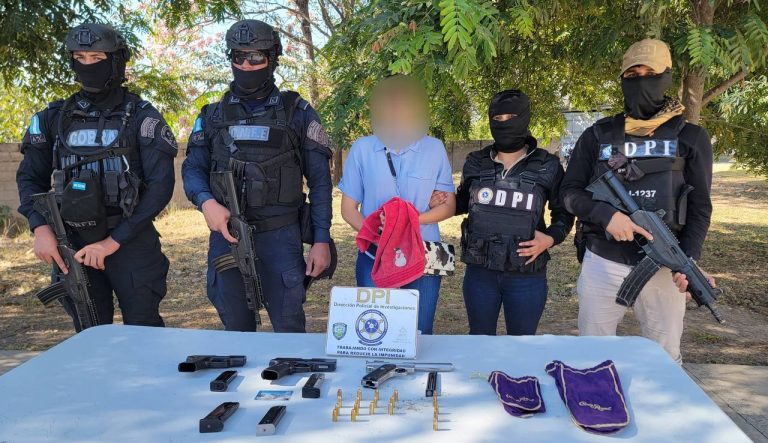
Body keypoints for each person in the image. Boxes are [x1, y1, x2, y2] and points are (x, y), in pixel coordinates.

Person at [561, 39, 716, 363]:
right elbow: (569, 192)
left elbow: (700, 207)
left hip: (664, 267)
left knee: (664, 357)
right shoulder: (597, 135)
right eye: (632, 75)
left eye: (650, 74)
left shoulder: (691, 138)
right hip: (604, 260)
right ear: (622, 80)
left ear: (666, 77)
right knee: (592, 355)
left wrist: (688, 259)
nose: (641, 81)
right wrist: (605, 215)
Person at [16, 23, 176, 331]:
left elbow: (161, 187)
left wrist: (113, 242)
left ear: (116, 61)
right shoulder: (51, 118)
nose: (87, 65)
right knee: (88, 334)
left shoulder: (142, 117)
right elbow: (30, 180)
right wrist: (40, 229)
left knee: (144, 332)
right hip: (71, 242)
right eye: (80, 57)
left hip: (129, 239)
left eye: (97, 57)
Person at [182, 19, 333, 332]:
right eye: (239, 57)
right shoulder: (211, 115)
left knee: (289, 332)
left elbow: (320, 182)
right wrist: (207, 202)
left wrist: (320, 240)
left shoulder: (298, 112)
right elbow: (193, 168)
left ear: (272, 59)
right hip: (227, 236)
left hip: (281, 238)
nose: (246, 65)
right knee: (236, 331)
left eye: (255, 57)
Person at [339, 75, 456, 335]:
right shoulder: (362, 149)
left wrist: (409, 220)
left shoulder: (435, 148)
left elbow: (448, 206)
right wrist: (378, 233)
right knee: (375, 332)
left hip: (424, 256)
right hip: (375, 255)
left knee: (419, 333)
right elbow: (348, 209)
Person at [455, 90, 573, 336]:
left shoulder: (547, 165)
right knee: (479, 341)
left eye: (511, 117)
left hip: (526, 275)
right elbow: (462, 203)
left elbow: (564, 212)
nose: (504, 123)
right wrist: (441, 200)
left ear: (525, 118)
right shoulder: (475, 161)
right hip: (480, 272)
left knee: (522, 345)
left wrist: (550, 238)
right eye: (497, 118)